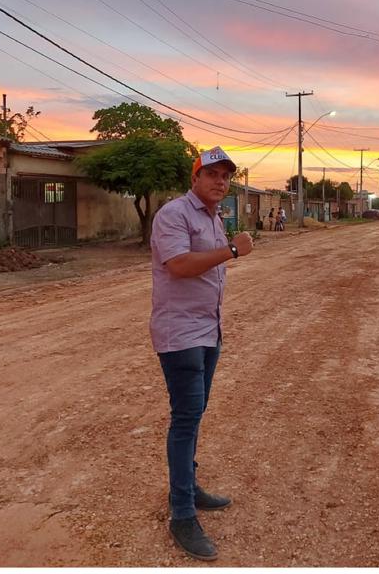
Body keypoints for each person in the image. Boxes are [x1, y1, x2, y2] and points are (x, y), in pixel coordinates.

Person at [150, 146, 253, 560]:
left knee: (196, 414)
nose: (220, 181)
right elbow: (178, 265)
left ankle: (189, 488)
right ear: (195, 178)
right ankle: (181, 513)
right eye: (212, 174)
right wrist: (231, 251)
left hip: (209, 329)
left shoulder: (212, 217)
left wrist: (227, 246)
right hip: (180, 334)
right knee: (186, 417)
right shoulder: (173, 214)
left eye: (226, 176)